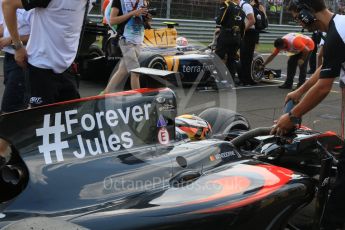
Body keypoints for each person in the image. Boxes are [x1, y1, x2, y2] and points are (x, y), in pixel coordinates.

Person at [271, 0, 345, 229]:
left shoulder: (337, 32)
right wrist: (299, 91)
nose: (298, 23)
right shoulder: (337, 28)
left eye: (296, 17)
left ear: (306, 12)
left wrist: (292, 116)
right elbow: (326, 68)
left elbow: (324, 87)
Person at [0, 0, 93, 167]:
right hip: (39, 67)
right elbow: (8, 4)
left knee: (70, 121)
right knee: (31, 124)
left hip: (66, 67)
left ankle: (60, 166)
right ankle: (19, 169)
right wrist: (17, 45)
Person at [103, 0, 150, 93]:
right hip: (125, 39)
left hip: (138, 40)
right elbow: (112, 21)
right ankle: (138, 98)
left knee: (122, 71)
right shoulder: (119, 1)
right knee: (136, 72)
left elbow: (146, 23)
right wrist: (133, 13)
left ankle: (105, 93)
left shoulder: (144, 2)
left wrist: (147, 18)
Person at [0, 1, 31, 113]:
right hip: (9, 55)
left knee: (11, 107)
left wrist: (12, 40)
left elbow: (38, 34)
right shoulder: (7, 2)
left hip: (23, 58)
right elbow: (5, 26)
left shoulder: (33, 4)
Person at [214, 0, 245, 81]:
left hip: (226, 36)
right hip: (237, 37)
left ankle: (219, 80)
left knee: (218, 58)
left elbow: (219, 20)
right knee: (231, 60)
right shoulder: (241, 9)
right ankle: (231, 80)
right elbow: (243, 28)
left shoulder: (227, 5)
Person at [238, 0, 258, 86]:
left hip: (250, 33)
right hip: (246, 32)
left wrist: (242, 30)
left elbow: (252, 20)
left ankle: (247, 80)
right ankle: (243, 79)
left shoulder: (246, 6)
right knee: (242, 57)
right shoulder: (239, 6)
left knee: (247, 58)